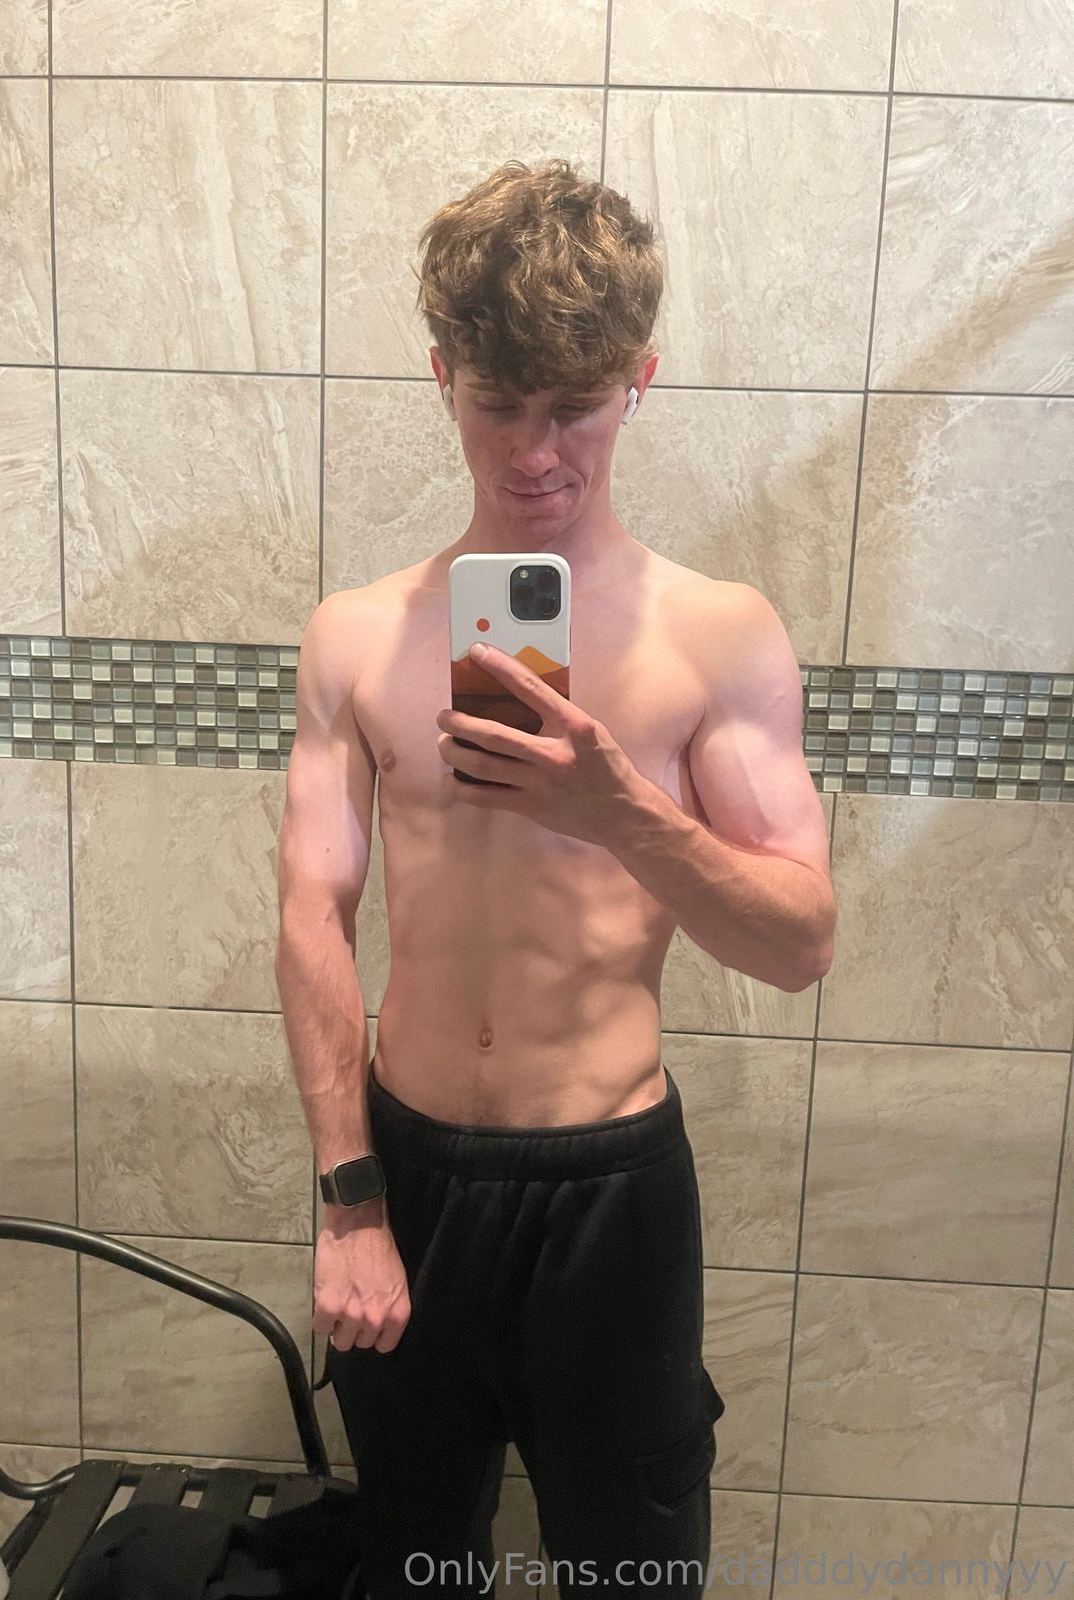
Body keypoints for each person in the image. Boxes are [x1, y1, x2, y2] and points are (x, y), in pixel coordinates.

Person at [275, 157, 836, 1599]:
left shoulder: (718, 634)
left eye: (576, 405)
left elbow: (799, 944)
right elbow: (312, 915)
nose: (536, 452)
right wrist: (350, 1203)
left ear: (639, 378)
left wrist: (620, 809)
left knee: (631, 1570)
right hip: (406, 1175)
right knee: (412, 1564)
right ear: (444, 377)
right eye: (499, 403)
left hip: (611, 1195)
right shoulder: (355, 637)